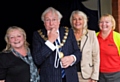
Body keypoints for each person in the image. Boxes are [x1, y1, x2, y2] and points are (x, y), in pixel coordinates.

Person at [32, 7, 81, 82]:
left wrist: (72, 58)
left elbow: (78, 52)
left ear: (59, 21)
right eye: (48, 20)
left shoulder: (68, 32)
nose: (51, 23)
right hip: (50, 79)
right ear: (44, 22)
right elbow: (37, 60)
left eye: (54, 20)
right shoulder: (38, 35)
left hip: (70, 78)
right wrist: (50, 41)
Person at [70, 10, 100, 82]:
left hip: (87, 75)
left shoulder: (91, 34)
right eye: (74, 19)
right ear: (71, 21)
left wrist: (95, 76)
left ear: (84, 21)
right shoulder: (67, 34)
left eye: (80, 19)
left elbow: (96, 57)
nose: (77, 22)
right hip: (71, 74)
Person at [96, 14, 120, 82]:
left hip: (116, 74)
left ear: (112, 24)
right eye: (101, 22)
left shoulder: (118, 37)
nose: (104, 24)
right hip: (99, 74)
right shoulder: (95, 36)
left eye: (107, 22)